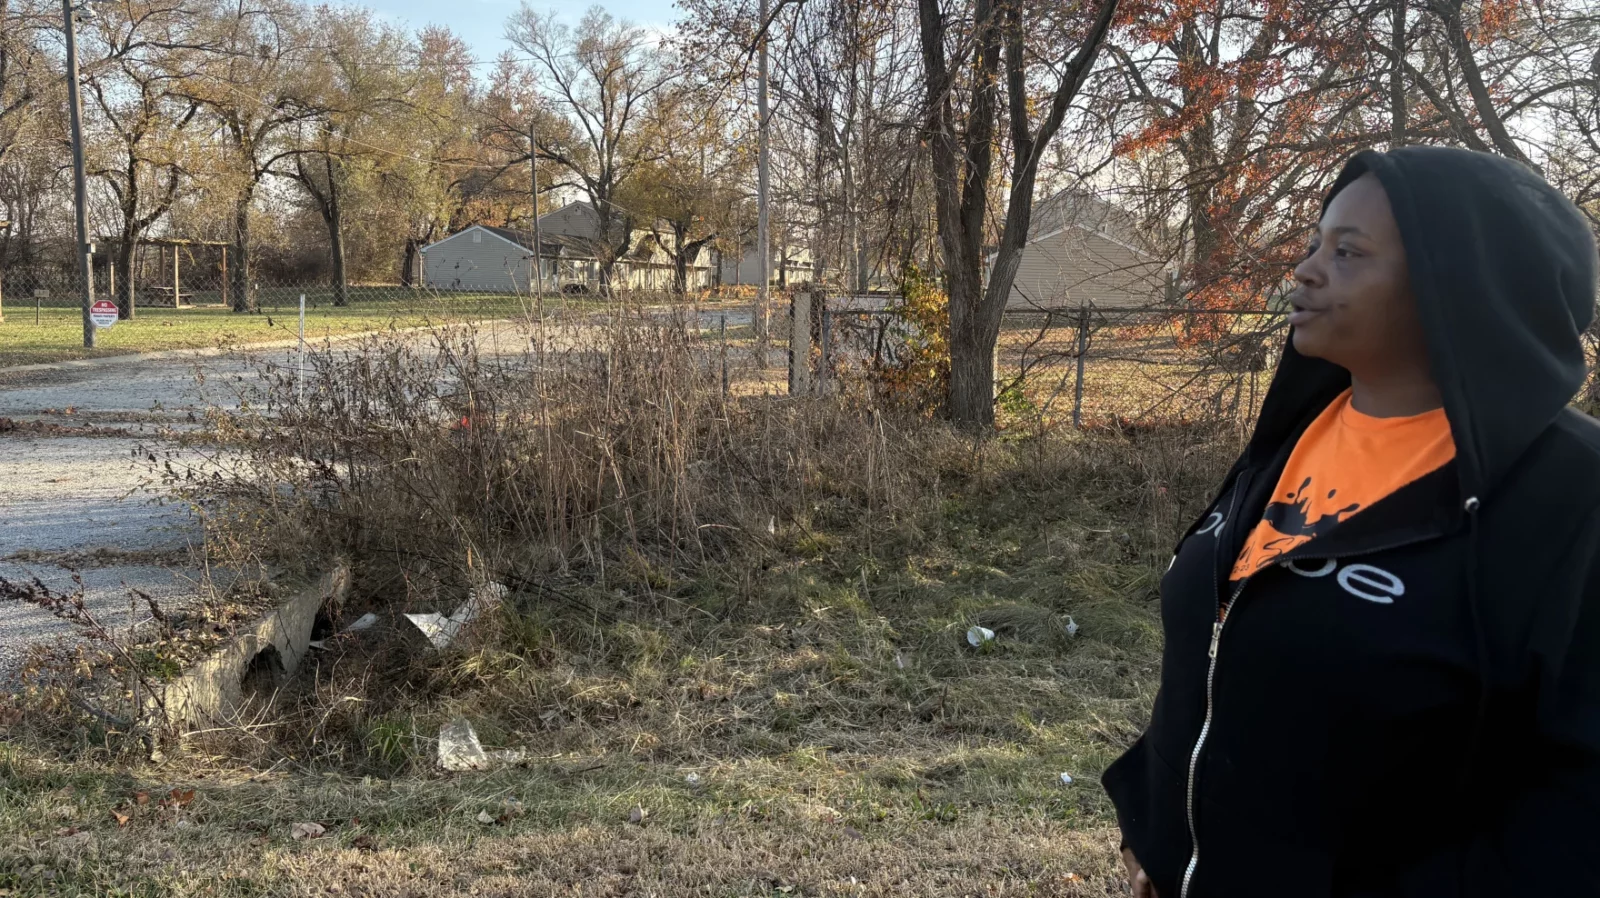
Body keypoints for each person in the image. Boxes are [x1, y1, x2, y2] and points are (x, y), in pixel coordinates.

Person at [1102, 146, 1600, 898]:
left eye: (1348, 253)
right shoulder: (1300, 431)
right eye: (1312, 245)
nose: (1304, 271)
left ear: (1455, 284)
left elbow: (1578, 805)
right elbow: (1210, 653)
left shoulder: (1570, 493)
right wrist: (1156, 829)